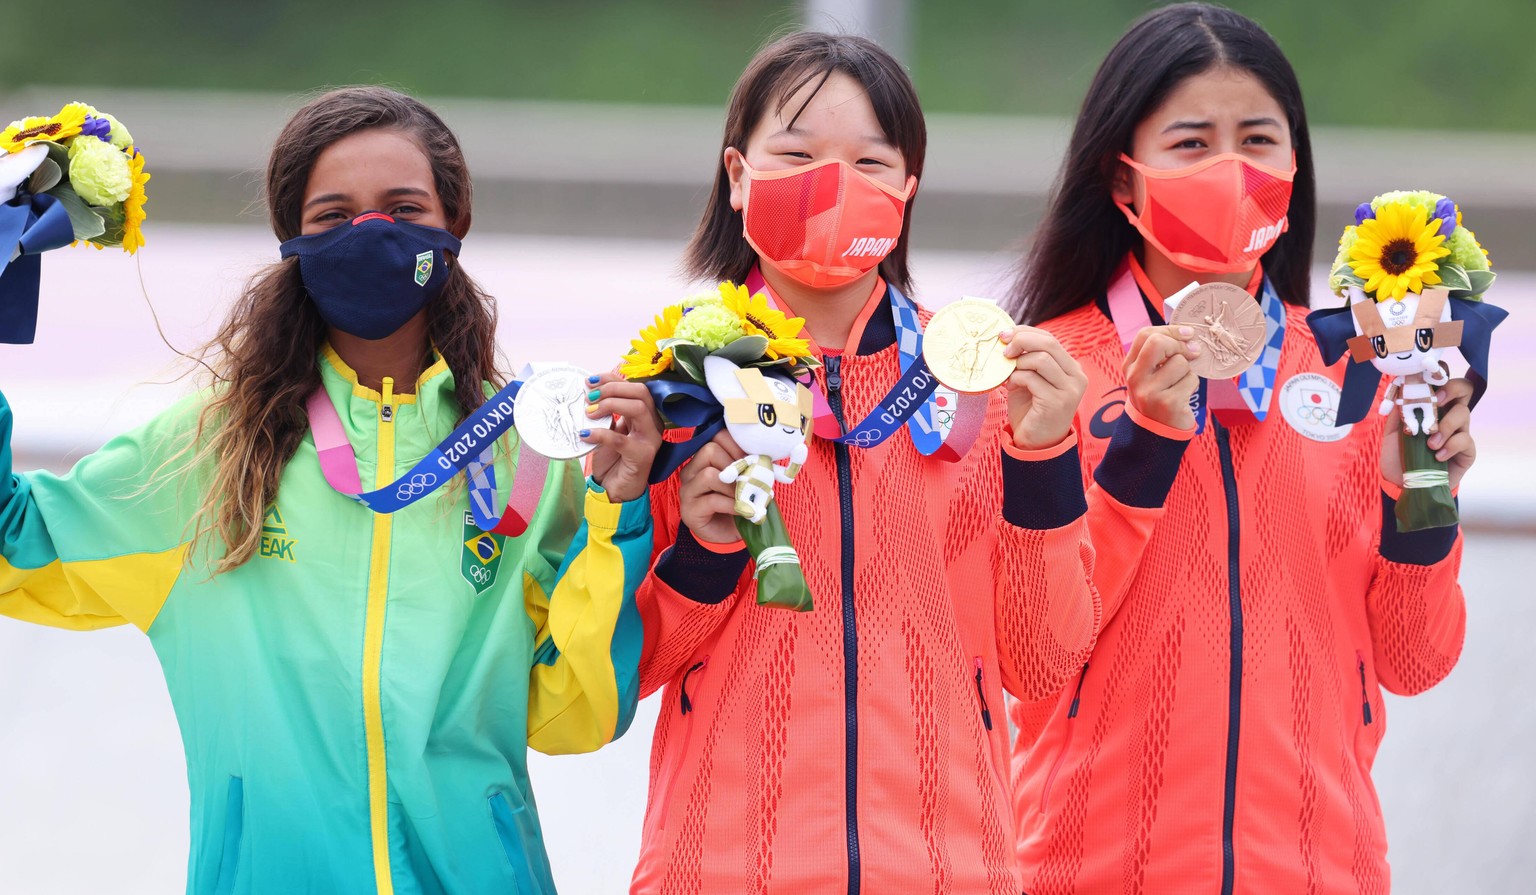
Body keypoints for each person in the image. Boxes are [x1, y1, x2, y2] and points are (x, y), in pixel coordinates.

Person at [0, 86, 660, 894]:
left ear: (456, 225)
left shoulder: (529, 450)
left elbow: (572, 714)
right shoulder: (207, 452)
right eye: (333, 215)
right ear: (292, 240)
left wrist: (617, 515)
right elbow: (12, 547)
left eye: (402, 207)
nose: (369, 232)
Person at [1002, 6, 1474, 893]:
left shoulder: (1361, 367)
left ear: (1295, 167)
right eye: (1191, 142)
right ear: (1122, 179)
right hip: (1081, 868)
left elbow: (1414, 660)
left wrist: (1425, 494)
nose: (1233, 170)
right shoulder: (1045, 374)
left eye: (1259, 140)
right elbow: (1033, 651)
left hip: (1318, 869)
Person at [629, 32, 1100, 894]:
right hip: (722, 868)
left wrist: (1045, 459)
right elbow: (631, 670)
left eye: (871, 163)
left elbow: (1041, 665)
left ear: (908, 188)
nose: (834, 186)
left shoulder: (982, 382)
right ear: (738, 175)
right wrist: (703, 551)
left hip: (947, 869)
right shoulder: (677, 384)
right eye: (797, 155)